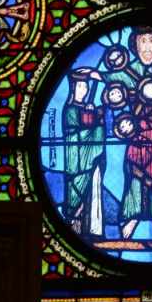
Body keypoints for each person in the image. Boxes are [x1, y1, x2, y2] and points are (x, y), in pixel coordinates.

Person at [105, 28, 152, 241]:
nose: (147, 47)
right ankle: (130, 219)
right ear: (135, 45)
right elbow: (108, 80)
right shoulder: (126, 71)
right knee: (134, 176)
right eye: (143, 41)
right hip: (138, 133)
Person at [63, 71, 106, 239]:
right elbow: (75, 135)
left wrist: (97, 119)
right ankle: (74, 228)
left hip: (91, 159)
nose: (84, 90)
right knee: (76, 192)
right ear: (73, 88)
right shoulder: (70, 109)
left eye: (86, 86)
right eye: (80, 86)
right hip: (77, 160)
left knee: (93, 190)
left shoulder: (86, 108)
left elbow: (93, 129)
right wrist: (95, 125)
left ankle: (93, 230)